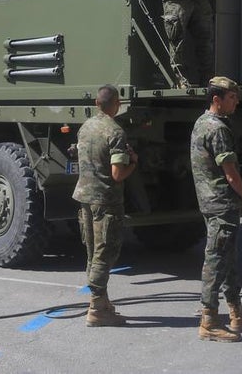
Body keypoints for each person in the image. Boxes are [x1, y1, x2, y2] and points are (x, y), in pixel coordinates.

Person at [72, 84, 139, 327]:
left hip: (84, 197)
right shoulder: (115, 131)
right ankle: (97, 307)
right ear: (117, 104)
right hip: (106, 200)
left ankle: (102, 303)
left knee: (92, 251)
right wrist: (134, 162)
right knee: (105, 252)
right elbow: (118, 174)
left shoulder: (85, 127)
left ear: (96, 104)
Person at [191, 76, 242, 342]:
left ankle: (236, 312)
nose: (236, 101)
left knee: (227, 256)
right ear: (217, 99)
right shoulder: (218, 129)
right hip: (222, 202)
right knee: (216, 259)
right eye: (231, 97)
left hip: (210, 201)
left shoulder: (201, 123)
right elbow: (230, 172)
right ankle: (209, 320)